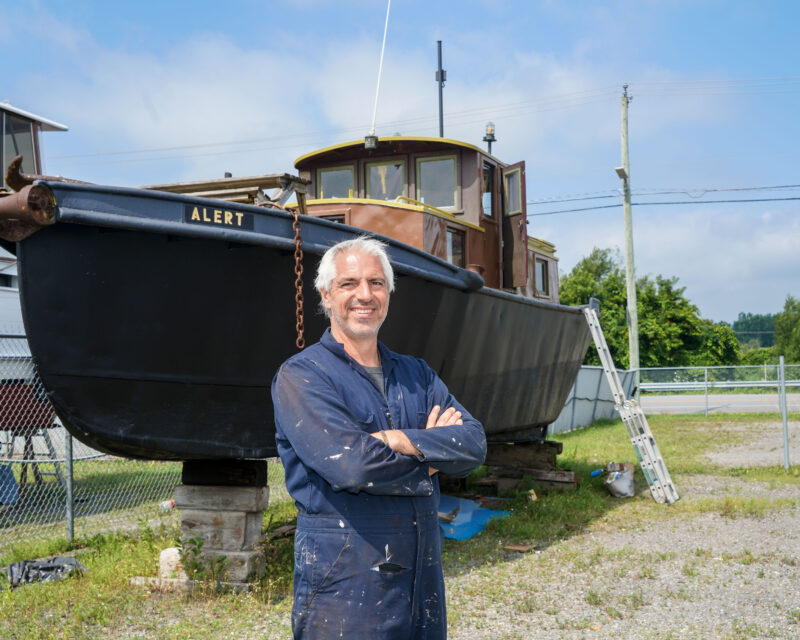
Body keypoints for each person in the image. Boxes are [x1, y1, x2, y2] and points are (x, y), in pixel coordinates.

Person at [271, 236, 487, 640]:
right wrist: (433, 454)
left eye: (376, 283)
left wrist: (399, 439)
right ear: (326, 295)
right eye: (349, 283)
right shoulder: (303, 377)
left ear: (389, 293)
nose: (364, 295)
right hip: (344, 584)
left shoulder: (416, 374)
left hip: (421, 580)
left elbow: (474, 442)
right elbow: (352, 466)